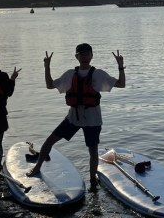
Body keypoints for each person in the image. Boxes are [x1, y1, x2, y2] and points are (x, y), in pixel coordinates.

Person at [27, 43, 125, 190]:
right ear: (76, 57)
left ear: (92, 56)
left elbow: (121, 84)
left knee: (93, 151)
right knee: (49, 141)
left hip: (92, 120)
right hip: (73, 118)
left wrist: (120, 66)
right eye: (81, 54)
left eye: (87, 54)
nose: (84, 57)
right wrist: (47, 66)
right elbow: (49, 85)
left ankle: (92, 181)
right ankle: (37, 168)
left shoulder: (98, 74)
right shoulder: (70, 75)